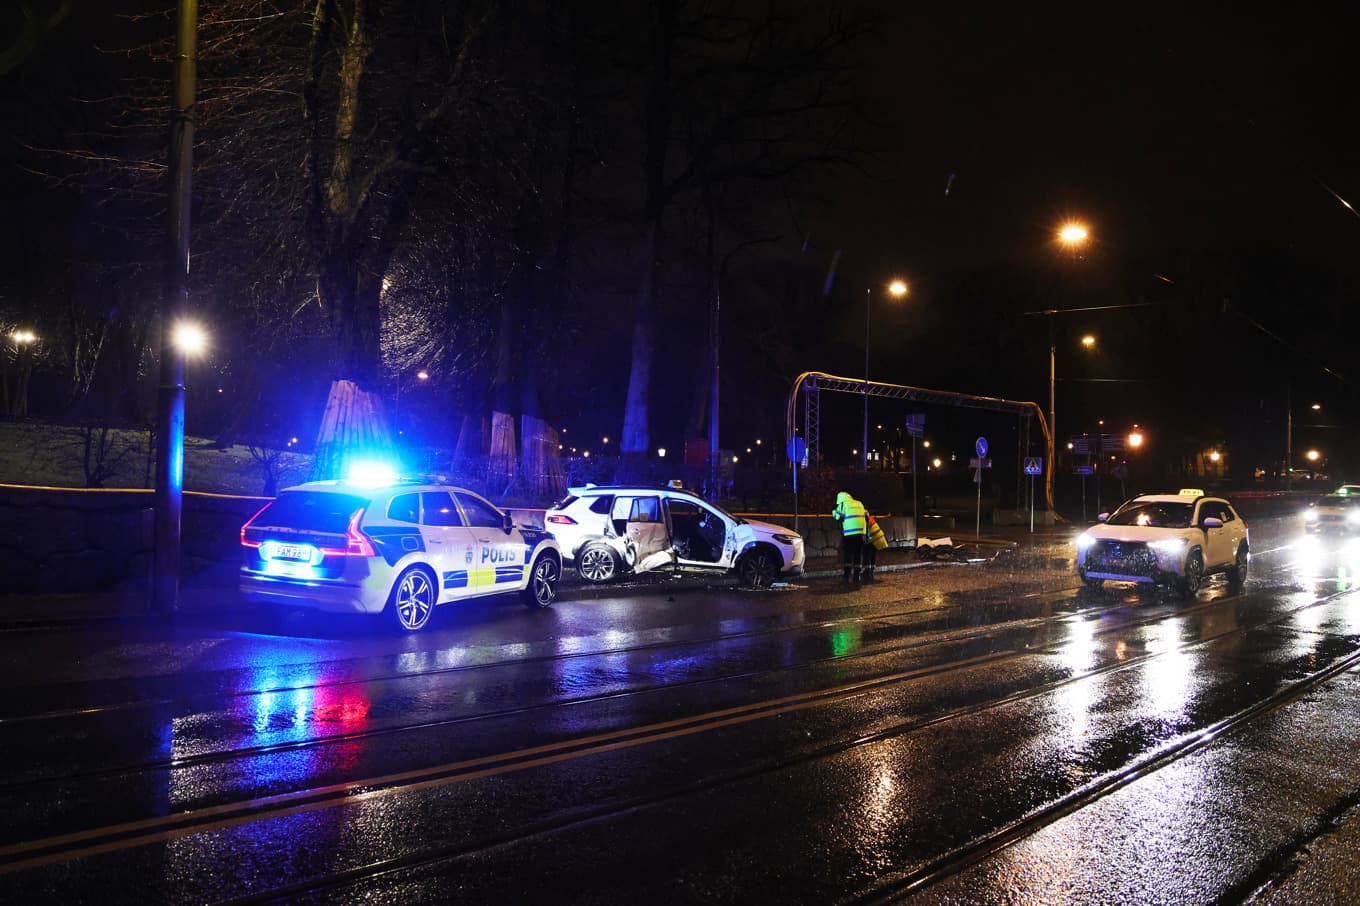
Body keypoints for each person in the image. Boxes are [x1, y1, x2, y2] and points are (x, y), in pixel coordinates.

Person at [831, 491, 867, 583]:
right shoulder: (859, 503)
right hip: (860, 534)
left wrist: (833, 510)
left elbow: (837, 517)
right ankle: (857, 576)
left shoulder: (843, 504)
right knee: (858, 555)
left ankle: (846, 576)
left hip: (849, 534)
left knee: (848, 555)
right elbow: (866, 515)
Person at [863, 511, 887, 581]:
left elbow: (866, 533)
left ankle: (867, 572)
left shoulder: (864, 521)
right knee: (872, 555)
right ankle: (871, 571)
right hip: (877, 538)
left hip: (873, 539)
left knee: (867, 555)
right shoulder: (870, 518)